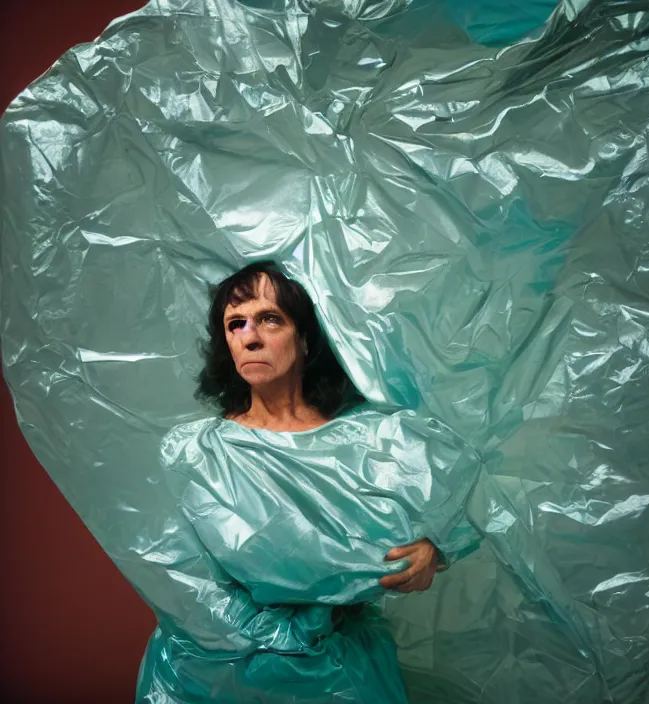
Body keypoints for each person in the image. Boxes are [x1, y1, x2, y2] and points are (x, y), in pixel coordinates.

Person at [136, 261, 480, 703]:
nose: (250, 336)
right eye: (235, 324)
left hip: (340, 671)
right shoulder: (193, 452)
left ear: (304, 337)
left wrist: (434, 550)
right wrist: (282, 633)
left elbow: (458, 506)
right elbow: (186, 579)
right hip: (214, 675)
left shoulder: (366, 440)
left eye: (269, 319)